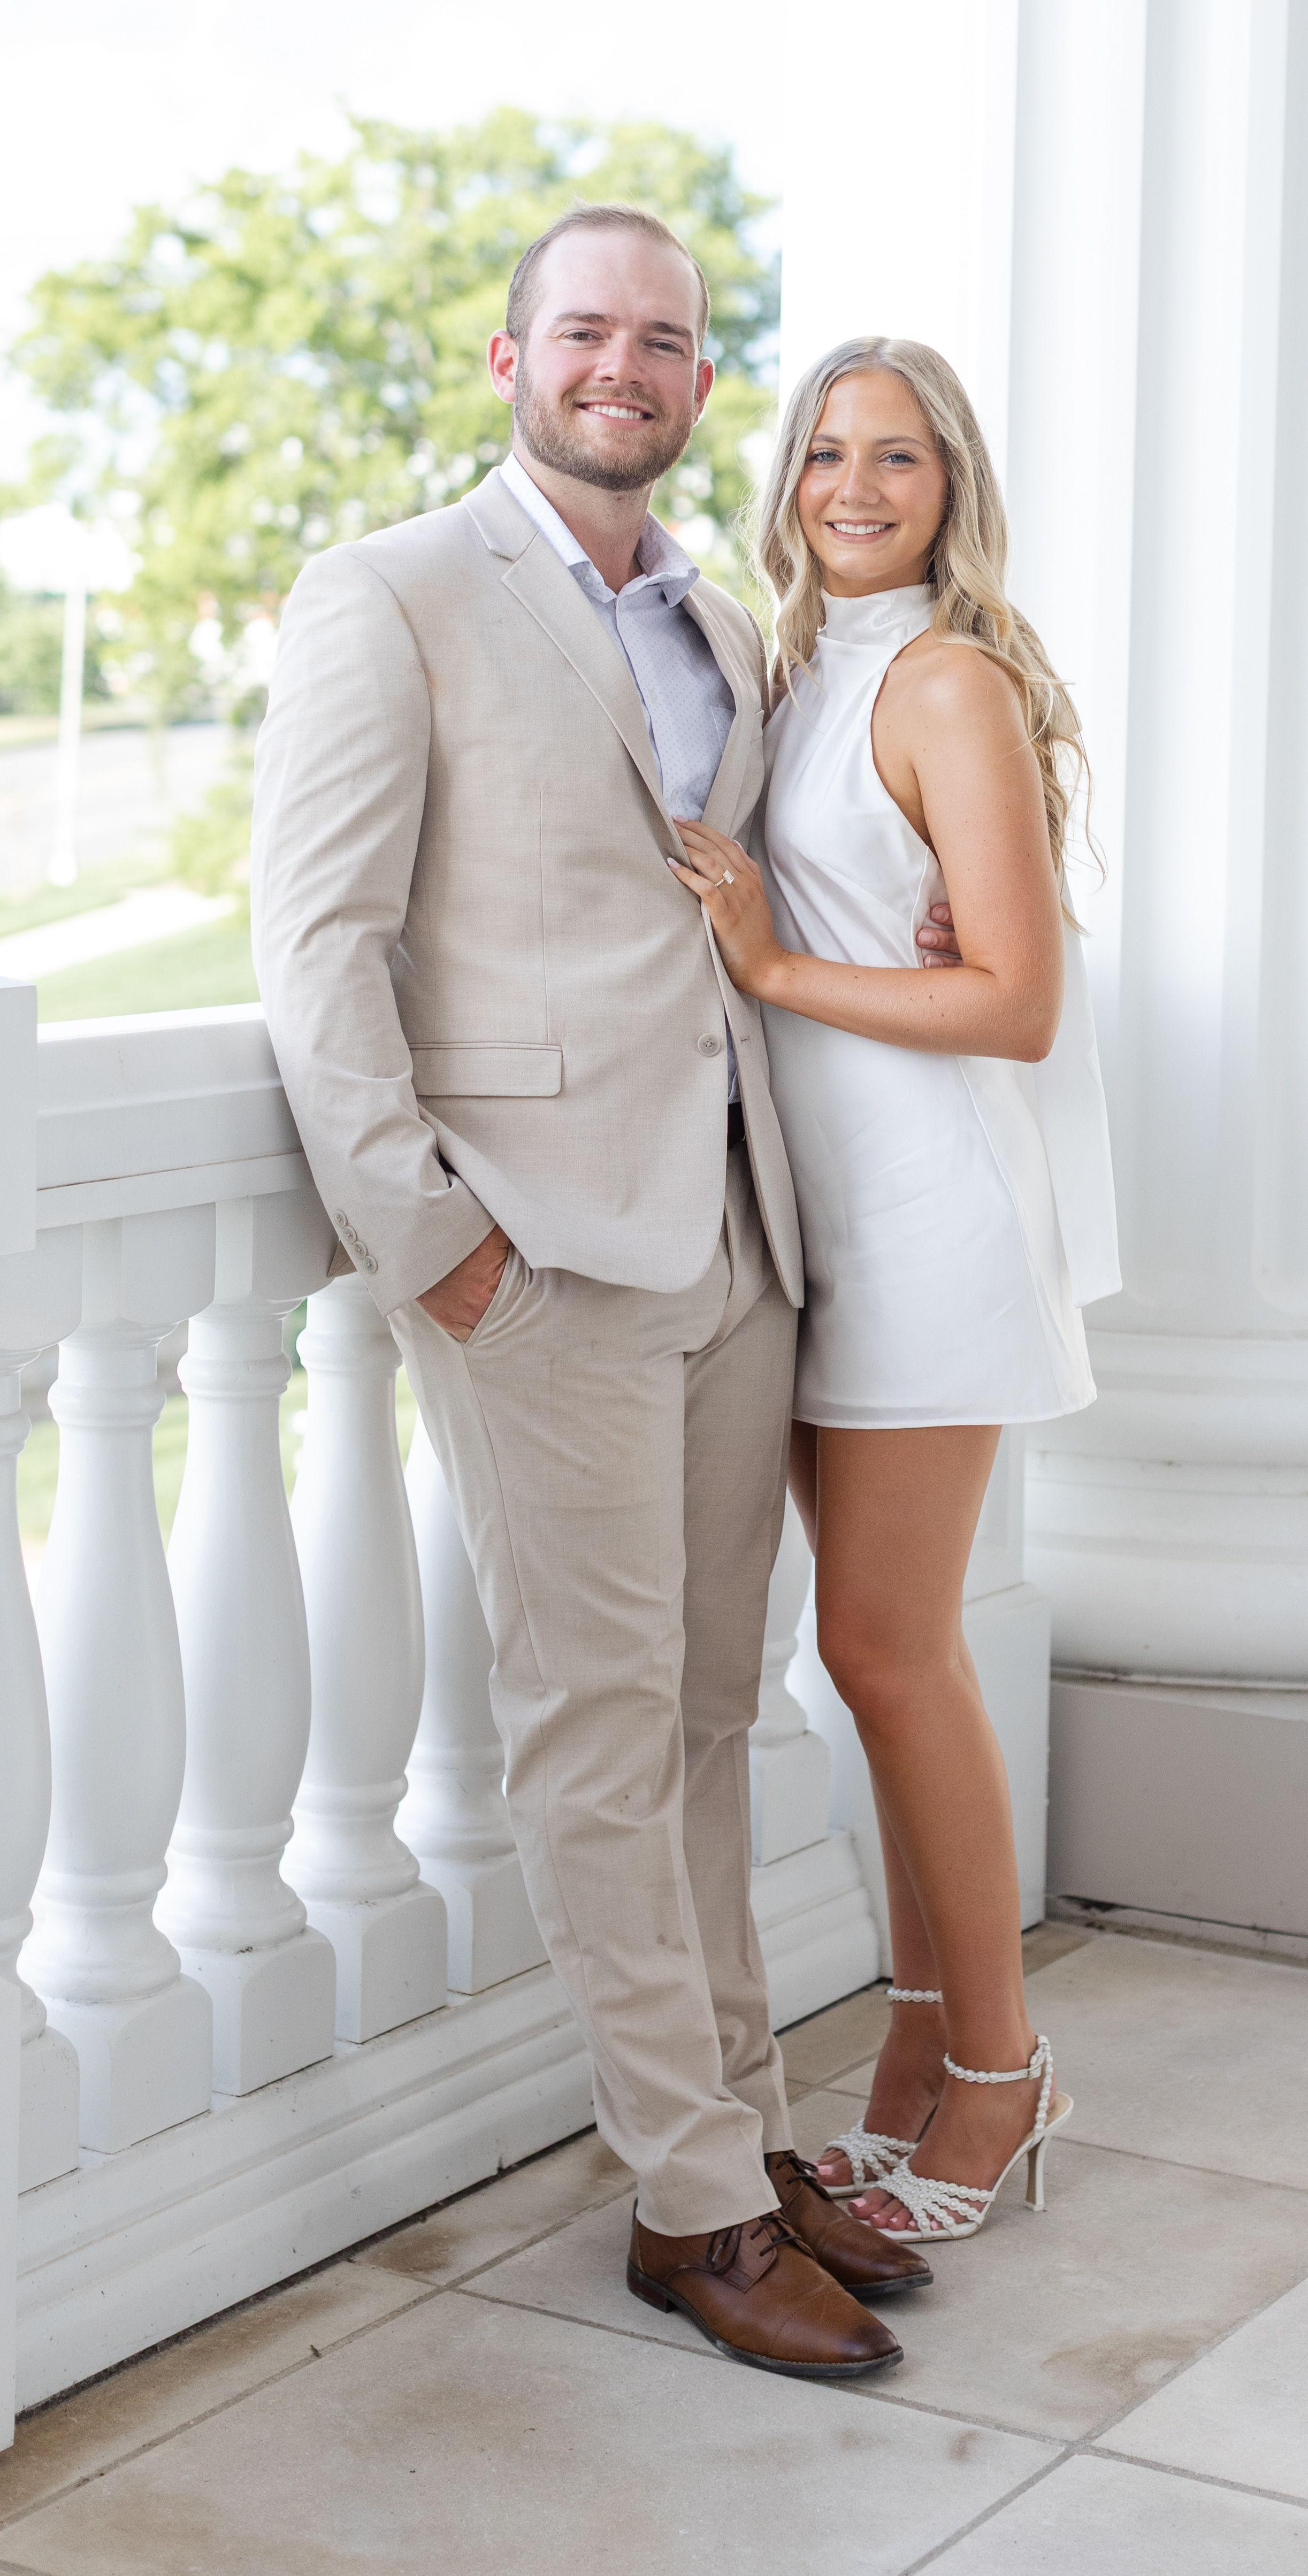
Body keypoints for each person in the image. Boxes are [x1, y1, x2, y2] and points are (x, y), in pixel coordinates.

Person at [253, 206, 957, 2380]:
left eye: (663, 340)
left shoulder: (726, 622)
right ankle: (692, 2203)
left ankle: (741, 2132)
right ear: (512, 360)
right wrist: (434, 1241)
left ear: (698, 383)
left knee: (713, 1713)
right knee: (594, 1724)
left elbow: (757, 898)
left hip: (737, 1240)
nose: (621, 368)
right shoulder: (389, 595)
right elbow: (316, 948)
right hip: (536, 1254)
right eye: (584, 332)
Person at [663, 334, 1116, 2246]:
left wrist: (777, 966)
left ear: (953, 490)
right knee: (877, 1661)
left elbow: (1014, 1003)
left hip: (931, 1217)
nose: (855, 487)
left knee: (883, 1650)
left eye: (900, 458)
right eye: (827, 453)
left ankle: (1002, 2076)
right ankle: (922, 2052)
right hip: (816, 1220)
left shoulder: (944, 681)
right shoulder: (795, 674)